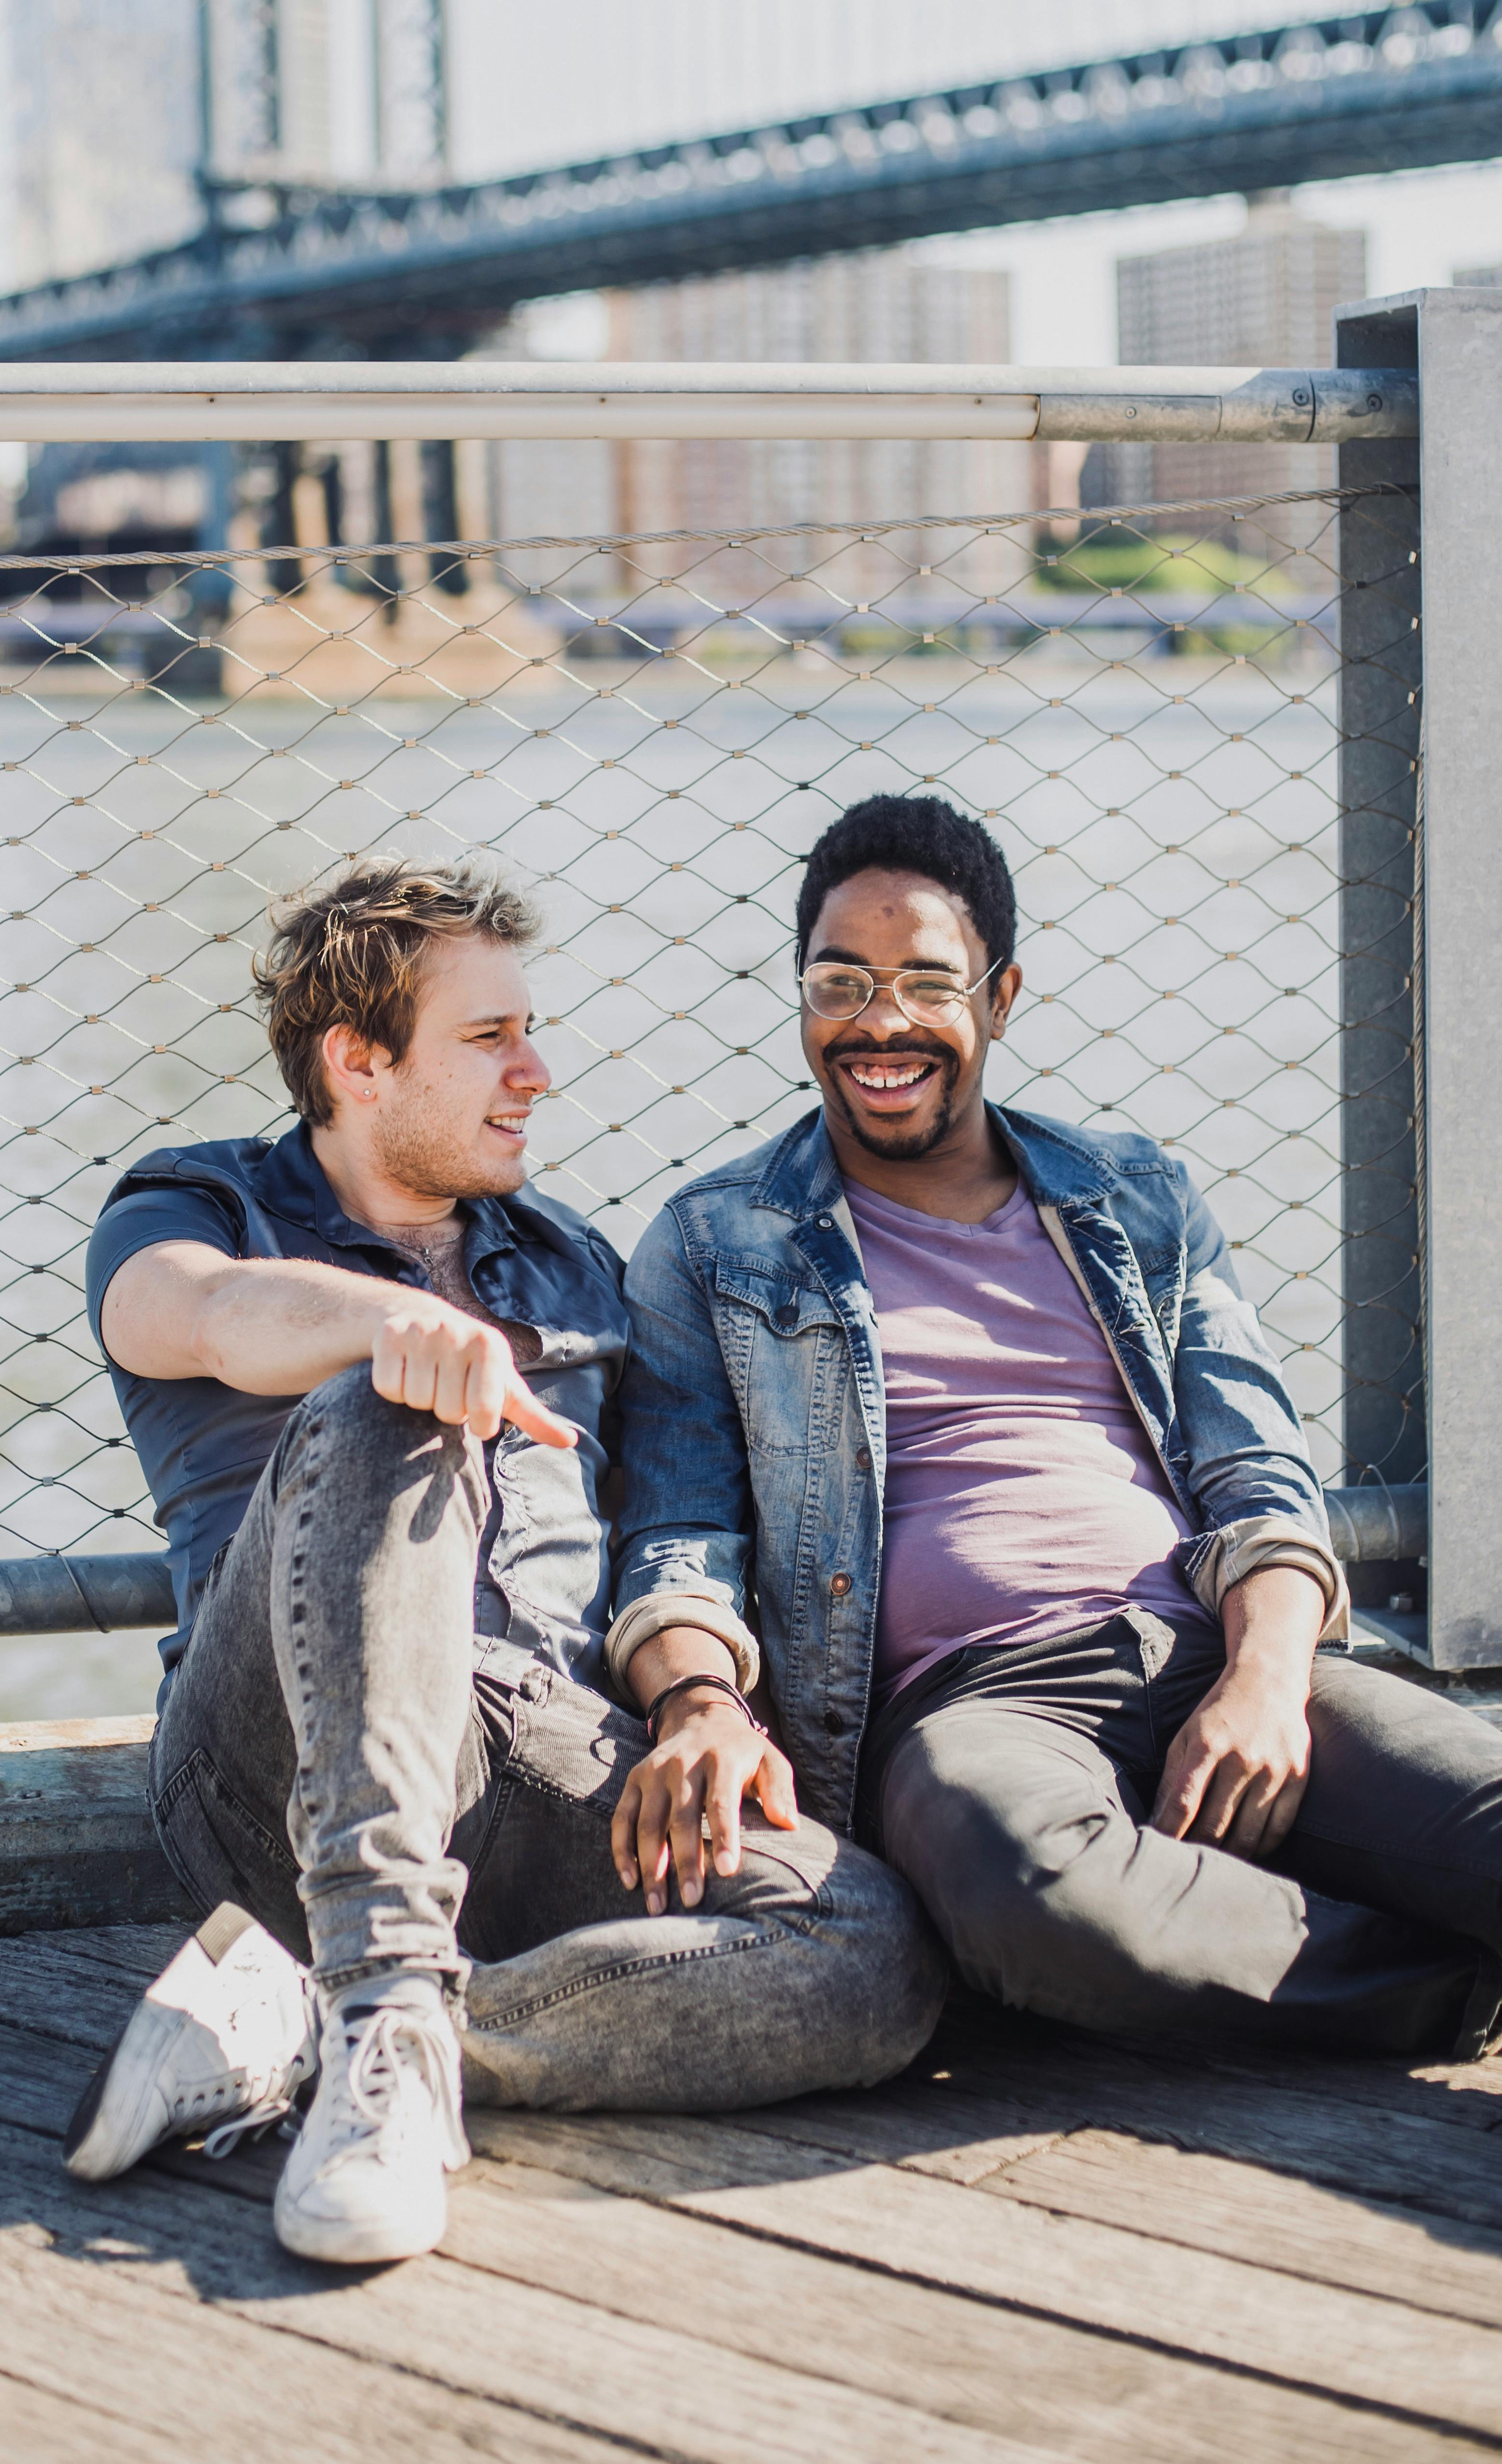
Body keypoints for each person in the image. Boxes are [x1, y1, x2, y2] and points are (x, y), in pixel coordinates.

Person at [65, 855, 944, 2266]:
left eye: (528, 1032)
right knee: (392, 1399)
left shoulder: (571, 1262)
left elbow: (670, 1520)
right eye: (489, 1038)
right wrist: (390, 1329)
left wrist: (697, 1703)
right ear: (357, 1060)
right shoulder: (195, 1205)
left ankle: (350, 2024)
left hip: (526, 1742)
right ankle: (379, 2004)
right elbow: (206, 1318)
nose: (534, 1071)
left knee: (867, 1944)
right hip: (270, 1762)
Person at [611, 792, 1502, 2060]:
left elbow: (1260, 1474)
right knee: (1025, 1881)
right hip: (971, 1715)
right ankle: (1458, 1989)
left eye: (929, 981)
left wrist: (1264, 1678)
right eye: (840, 980)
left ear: (1001, 995)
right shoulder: (715, 1242)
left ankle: (1247, 1940)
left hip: (1201, 1652)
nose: (882, 1022)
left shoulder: (1138, 1197)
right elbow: (676, 1530)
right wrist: (696, 1698)